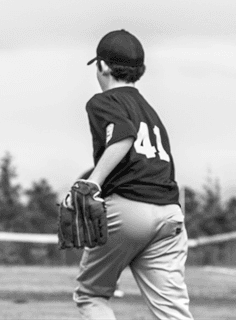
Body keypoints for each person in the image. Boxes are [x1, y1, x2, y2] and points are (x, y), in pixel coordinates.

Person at [72, 29, 193, 319]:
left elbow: (122, 137)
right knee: (172, 312)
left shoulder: (104, 101)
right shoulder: (150, 112)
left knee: (91, 295)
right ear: (141, 71)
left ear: (101, 65)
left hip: (129, 210)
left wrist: (91, 184)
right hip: (170, 215)